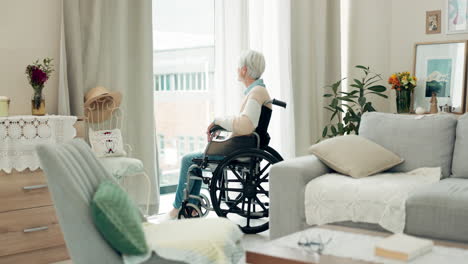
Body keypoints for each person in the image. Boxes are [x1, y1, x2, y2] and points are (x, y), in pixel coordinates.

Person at [168, 49, 272, 219]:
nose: (237, 70)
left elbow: (245, 125)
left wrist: (218, 121)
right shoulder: (259, 91)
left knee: (189, 160)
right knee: (196, 159)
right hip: (243, 146)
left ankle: (178, 208)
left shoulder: (256, 93)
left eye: (238, 67)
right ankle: (192, 206)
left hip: (237, 150)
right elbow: (246, 124)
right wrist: (221, 125)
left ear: (244, 70)